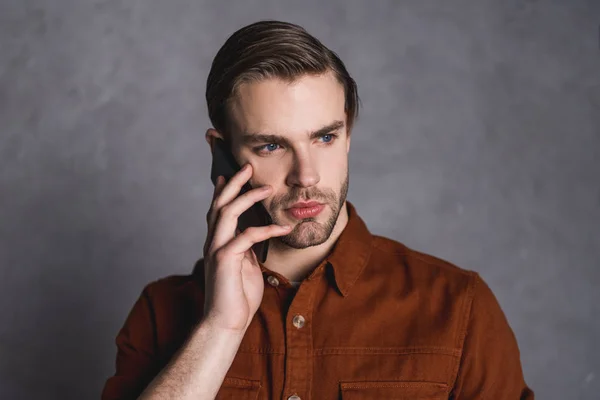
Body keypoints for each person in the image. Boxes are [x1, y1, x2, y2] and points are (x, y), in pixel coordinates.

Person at [101, 20, 534, 400]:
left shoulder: (459, 307)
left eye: (324, 137)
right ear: (223, 154)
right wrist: (220, 330)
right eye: (271, 145)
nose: (306, 176)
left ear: (348, 135)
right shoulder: (161, 314)